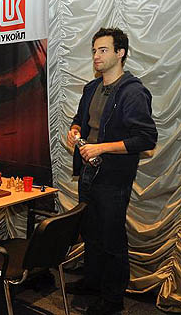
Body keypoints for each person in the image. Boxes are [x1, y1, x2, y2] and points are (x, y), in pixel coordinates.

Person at [66, 28, 157, 315]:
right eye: (94, 50)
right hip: (88, 173)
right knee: (90, 231)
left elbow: (146, 139)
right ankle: (92, 283)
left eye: (103, 50)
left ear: (121, 53)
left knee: (112, 238)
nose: (96, 56)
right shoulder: (91, 88)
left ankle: (113, 299)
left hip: (113, 177)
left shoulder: (133, 92)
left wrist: (102, 148)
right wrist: (75, 130)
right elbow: (80, 119)